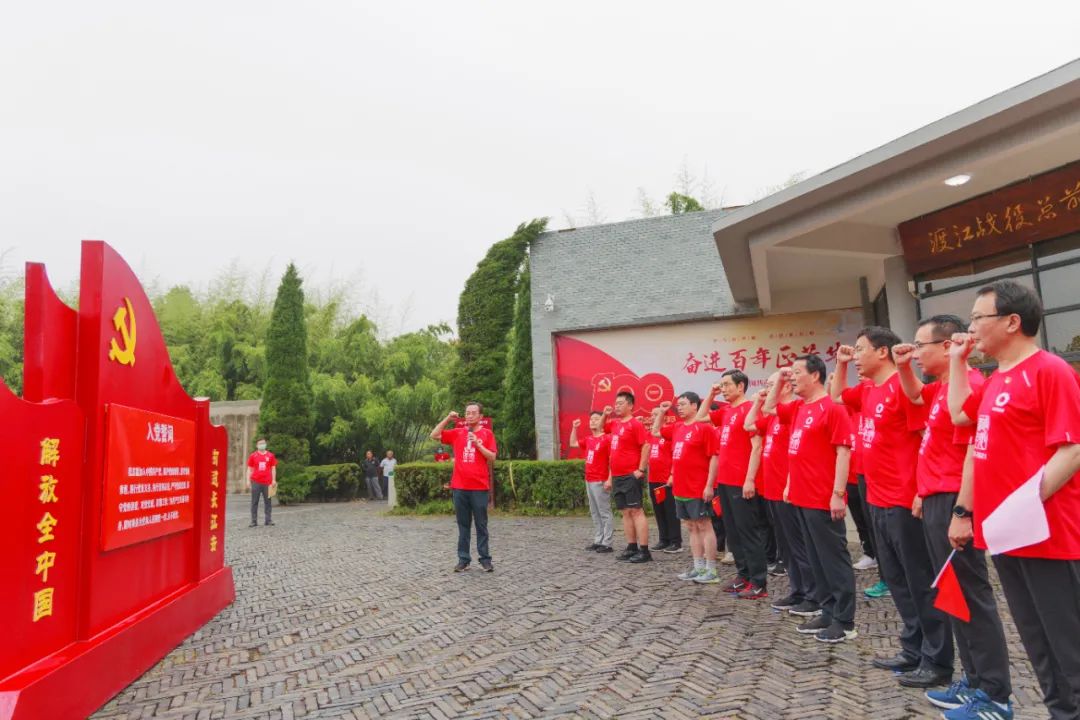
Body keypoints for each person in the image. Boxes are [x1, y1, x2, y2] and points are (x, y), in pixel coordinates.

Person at [946, 280, 1080, 720]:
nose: (971, 327)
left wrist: (1022, 508)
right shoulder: (996, 379)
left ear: (1012, 322)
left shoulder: (1050, 371)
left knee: (1068, 643)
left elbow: (1072, 450)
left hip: (1048, 533)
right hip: (1009, 534)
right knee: (1037, 641)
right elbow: (959, 415)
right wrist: (957, 361)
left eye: (978, 318)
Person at [892, 315, 1013, 716]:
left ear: (947, 346)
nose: (915, 352)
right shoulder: (943, 386)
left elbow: (973, 454)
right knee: (953, 594)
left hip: (954, 499)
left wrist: (963, 510)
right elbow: (914, 395)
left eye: (920, 345)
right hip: (936, 498)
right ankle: (974, 681)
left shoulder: (970, 385)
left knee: (972, 595)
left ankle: (993, 692)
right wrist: (903, 366)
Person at [832, 327, 954, 688]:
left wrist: (920, 490)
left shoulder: (903, 388)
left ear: (883, 352)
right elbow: (837, 396)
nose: (856, 356)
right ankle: (912, 648)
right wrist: (841, 364)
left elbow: (925, 440)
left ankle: (937, 659)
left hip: (904, 500)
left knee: (921, 582)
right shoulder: (868, 389)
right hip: (877, 498)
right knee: (897, 581)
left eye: (861, 350)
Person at [767, 355, 856, 643]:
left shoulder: (832, 408)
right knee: (816, 560)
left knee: (833, 560)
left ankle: (845, 620)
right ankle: (828, 611)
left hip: (823, 498)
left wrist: (838, 494)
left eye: (797, 372)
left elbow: (843, 452)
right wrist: (790, 485)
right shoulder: (799, 408)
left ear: (815, 375)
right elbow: (770, 409)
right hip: (801, 497)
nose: (792, 377)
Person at [749, 372, 818, 618]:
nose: (767, 389)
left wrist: (789, 484)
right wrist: (759, 401)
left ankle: (812, 595)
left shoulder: (793, 413)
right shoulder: (774, 416)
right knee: (786, 547)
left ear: (786, 386)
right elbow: (750, 425)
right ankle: (797, 590)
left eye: (772, 385)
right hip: (772, 490)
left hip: (788, 491)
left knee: (799, 546)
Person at [699, 370, 768, 599]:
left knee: (748, 532)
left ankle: (758, 581)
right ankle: (743, 575)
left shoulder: (750, 409)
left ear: (741, 386)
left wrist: (750, 479)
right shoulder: (727, 411)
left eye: (727, 384)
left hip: (742, 482)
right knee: (733, 532)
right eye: (722, 385)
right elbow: (700, 417)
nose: (724, 389)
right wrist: (711, 394)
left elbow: (757, 446)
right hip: (725, 481)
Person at [653, 392, 721, 583]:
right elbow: (656, 432)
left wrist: (709, 485)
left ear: (694, 406)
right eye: (678, 405)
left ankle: (711, 570)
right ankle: (698, 567)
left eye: (683, 404)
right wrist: (662, 412)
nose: (679, 408)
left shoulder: (705, 428)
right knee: (691, 526)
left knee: (704, 525)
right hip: (680, 488)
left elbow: (714, 457)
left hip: (698, 487)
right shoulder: (678, 427)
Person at [430, 404, 498, 572]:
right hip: (459, 487)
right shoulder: (458, 433)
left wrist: (478, 445)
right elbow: (434, 434)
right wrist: (448, 418)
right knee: (463, 525)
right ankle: (463, 559)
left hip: (479, 487)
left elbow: (492, 457)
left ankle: (485, 559)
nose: (470, 415)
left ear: (480, 416)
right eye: (467, 413)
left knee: (481, 525)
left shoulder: (487, 434)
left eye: (474, 413)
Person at [604, 391, 653, 563]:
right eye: (616, 403)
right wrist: (611, 476)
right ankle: (631, 547)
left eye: (620, 403)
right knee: (625, 512)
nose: (616, 406)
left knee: (636, 511)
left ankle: (644, 551)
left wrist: (641, 469)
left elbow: (646, 446)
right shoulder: (616, 424)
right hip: (617, 476)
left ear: (630, 405)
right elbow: (602, 428)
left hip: (631, 475)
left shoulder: (635, 424)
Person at [568, 412, 614, 553]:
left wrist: (609, 479)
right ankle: (598, 540)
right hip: (589, 479)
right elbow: (573, 443)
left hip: (601, 480)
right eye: (591, 419)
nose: (593, 421)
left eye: (596, 419)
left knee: (604, 512)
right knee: (594, 512)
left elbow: (613, 460)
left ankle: (607, 543)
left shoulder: (607, 439)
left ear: (602, 421)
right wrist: (574, 428)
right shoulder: (588, 439)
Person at [647, 405, 682, 553]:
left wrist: (672, 475)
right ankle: (663, 539)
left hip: (667, 479)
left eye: (656, 414)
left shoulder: (669, 433)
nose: (653, 417)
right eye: (652, 414)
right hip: (653, 478)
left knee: (670, 510)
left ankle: (675, 541)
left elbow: (675, 455)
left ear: (665, 417)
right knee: (659, 510)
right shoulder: (651, 435)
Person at [246, 438, 277, 527]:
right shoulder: (253, 456)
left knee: (268, 502)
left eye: (263, 443)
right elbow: (249, 469)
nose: (262, 445)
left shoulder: (270, 455)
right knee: (254, 502)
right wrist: (248, 480)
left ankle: (268, 520)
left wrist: (274, 480)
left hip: (267, 482)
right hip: (256, 481)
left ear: (266, 444)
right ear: (257, 445)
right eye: (260, 443)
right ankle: (254, 521)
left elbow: (273, 468)